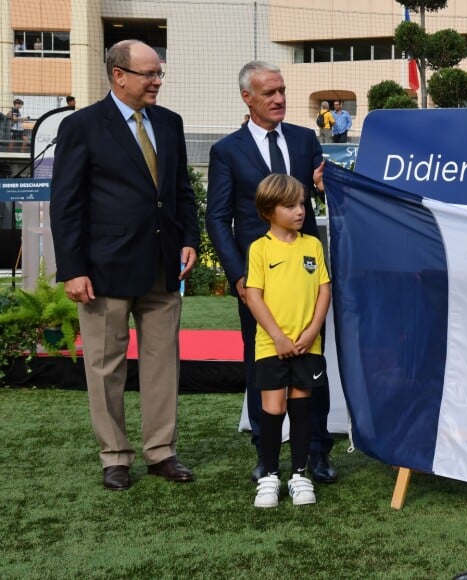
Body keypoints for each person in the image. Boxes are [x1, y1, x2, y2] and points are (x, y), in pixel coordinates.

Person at [50, 39, 200, 491]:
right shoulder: (82, 126)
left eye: (159, 74)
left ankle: (161, 452)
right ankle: (114, 456)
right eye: (149, 74)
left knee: (162, 364)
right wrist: (73, 269)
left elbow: (182, 190)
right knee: (104, 366)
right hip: (103, 270)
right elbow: (67, 203)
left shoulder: (170, 123)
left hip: (162, 267)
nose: (157, 81)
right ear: (119, 75)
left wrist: (190, 239)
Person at [206, 60, 337, 485]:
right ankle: (266, 455)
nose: (279, 99)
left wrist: (323, 186)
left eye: (281, 90)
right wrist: (240, 278)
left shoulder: (304, 140)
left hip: (305, 278)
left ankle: (317, 452)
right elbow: (217, 218)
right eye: (269, 93)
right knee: (261, 365)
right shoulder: (226, 150)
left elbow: (317, 201)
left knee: (311, 362)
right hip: (258, 284)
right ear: (247, 97)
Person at [246, 173, 331, 508]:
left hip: (308, 347)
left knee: (301, 408)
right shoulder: (259, 249)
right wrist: (279, 337)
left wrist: (311, 333)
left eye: (301, 204)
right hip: (272, 347)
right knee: (273, 409)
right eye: (290, 206)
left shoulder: (312, 244)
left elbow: (324, 290)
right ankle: (269, 476)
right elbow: (253, 296)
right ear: (269, 211)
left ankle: (299, 475)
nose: (300, 211)